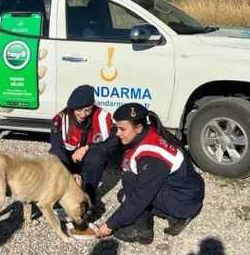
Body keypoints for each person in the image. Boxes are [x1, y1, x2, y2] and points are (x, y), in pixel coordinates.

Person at [96, 103, 205, 244]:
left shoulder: (152, 157)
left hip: (185, 201)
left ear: (139, 128)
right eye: (117, 128)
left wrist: (110, 224)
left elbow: (140, 197)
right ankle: (155, 214)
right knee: (123, 193)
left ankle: (144, 231)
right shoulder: (149, 132)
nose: (118, 133)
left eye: (122, 129)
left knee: (130, 183)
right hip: (185, 191)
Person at [49, 84, 119, 211]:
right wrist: (70, 173)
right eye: (79, 110)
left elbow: (114, 141)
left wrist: (88, 147)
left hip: (88, 157)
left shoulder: (102, 117)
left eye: (88, 110)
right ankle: (61, 194)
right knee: (55, 156)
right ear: (72, 108)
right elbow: (57, 147)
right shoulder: (60, 119)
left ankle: (90, 195)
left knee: (97, 157)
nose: (83, 114)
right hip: (68, 157)